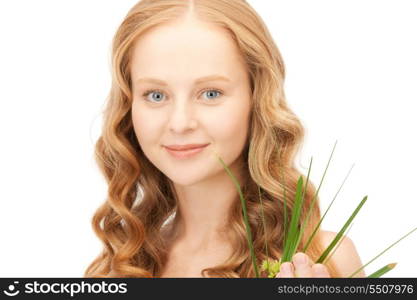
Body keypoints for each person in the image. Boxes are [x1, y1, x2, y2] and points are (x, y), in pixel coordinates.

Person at [84, 0, 365, 278]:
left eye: (211, 93)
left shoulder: (324, 260)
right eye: (156, 95)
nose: (180, 123)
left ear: (257, 99)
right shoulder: (117, 268)